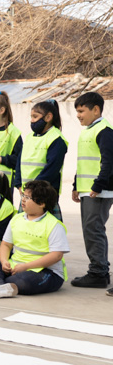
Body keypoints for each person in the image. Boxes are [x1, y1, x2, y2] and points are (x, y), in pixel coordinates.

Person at [0, 180, 69, 299]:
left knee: (24, 281)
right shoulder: (16, 219)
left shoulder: (54, 225)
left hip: (46, 272)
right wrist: (4, 261)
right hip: (16, 267)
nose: (23, 200)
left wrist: (26, 267)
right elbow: (6, 245)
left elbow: (56, 256)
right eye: (23, 195)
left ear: (41, 203)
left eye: (28, 197)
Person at [70, 92, 113, 290]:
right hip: (88, 190)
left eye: (81, 111)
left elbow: (109, 162)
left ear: (96, 109)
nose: (78, 115)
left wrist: (98, 185)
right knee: (91, 230)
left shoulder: (105, 131)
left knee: (93, 230)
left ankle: (98, 273)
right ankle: (99, 270)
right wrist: (76, 185)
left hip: (99, 191)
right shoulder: (89, 130)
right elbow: (85, 161)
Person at [13, 99, 68, 220]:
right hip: (27, 194)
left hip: (45, 194)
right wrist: (18, 184)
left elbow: (52, 169)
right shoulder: (29, 137)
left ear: (48, 117)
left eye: (35, 116)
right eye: (31, 117)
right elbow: (19, 162)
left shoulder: (56, 139)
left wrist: (33, 189)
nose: (31, 120)